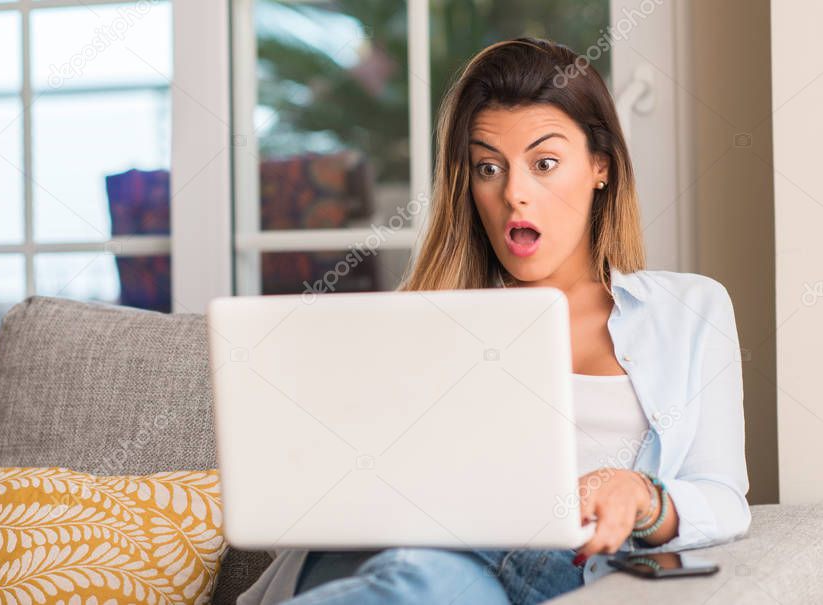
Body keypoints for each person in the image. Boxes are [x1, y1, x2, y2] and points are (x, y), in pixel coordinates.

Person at [236, 37, 750, 605]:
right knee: (419, 564)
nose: (514, 194)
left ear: (599, 167)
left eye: (545, 163)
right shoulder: (423, 321)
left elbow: (724, 497)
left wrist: (643, 496)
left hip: (532, 570)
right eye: (488, 167)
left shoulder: (689, 310)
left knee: (427, 580)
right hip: (379, 552)